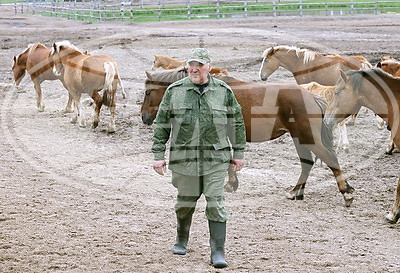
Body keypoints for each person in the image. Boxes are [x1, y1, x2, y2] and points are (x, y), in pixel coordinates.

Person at [151, 48, 246, 268]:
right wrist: (158, 155)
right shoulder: (174, 91)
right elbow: (162, 124)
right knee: (185, 203)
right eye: (191, 64)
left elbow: (237, 123)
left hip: (216, 158)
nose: (194, 69)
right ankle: (181, 239)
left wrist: (238, 153)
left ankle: (218, 252)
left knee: (215, 203)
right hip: (184, 159)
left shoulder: (223, 91)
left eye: (199, 65)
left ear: (208, 67)